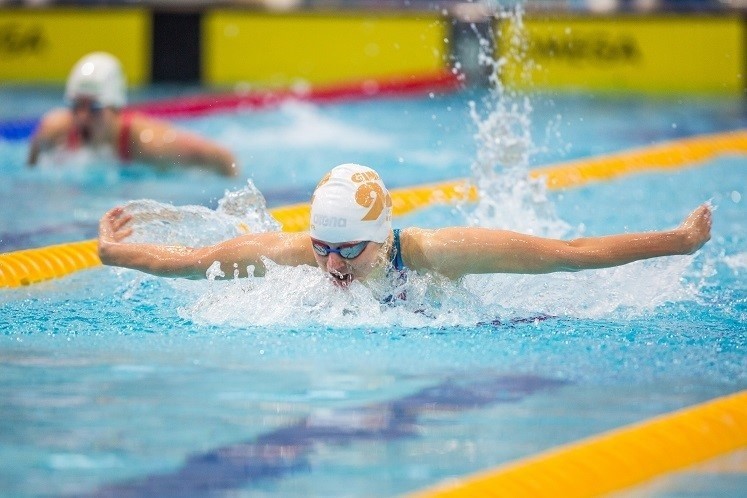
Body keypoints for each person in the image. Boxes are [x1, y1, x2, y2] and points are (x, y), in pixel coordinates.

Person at [98, 163, 713, 293]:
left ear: (384, 237)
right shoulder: (292, 254)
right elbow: (190, 260)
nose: (333, 266)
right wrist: (114, 254)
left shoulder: (439, 254)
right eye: (323, 248)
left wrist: (680, 241)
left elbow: (572, 254)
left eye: (349, 251)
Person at [28, 52, 239, 177]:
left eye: (94, 108)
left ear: (116, 109)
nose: (82, 117)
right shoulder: (53, 129)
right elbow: (32, 166)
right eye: (75, 106)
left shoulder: (150, 142)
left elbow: (224, 158)